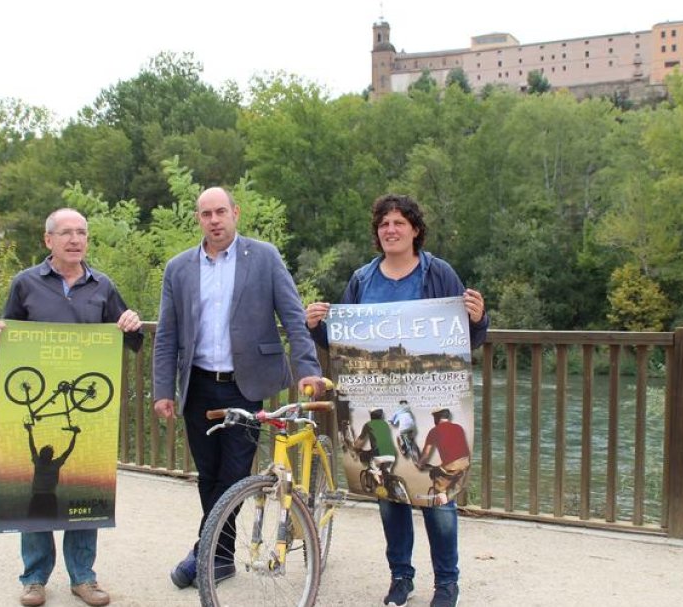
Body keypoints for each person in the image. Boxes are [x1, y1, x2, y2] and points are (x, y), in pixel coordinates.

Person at [306, 193, 488, 607]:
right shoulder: (362, 279)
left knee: (438, 497)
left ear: (415, 230)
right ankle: (400, 578)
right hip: (378, 397)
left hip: (430, 396)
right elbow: (343, 343)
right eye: (384, 223)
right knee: (390, 493)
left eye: (399, 223)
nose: (390, 229)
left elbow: (466, 340)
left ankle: (447, 583)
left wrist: (479, 318)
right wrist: (316, 327)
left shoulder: (439, 273)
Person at [151, 186, 322, 589]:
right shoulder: (179, 268)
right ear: (199, 219)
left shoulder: (264, 257)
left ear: (235, 213)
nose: (214, 220)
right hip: (197, 384)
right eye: (206, 213)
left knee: (232, 474)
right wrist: (162, 391)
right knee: (208, 474)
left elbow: (294, 318)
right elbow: (167, 335)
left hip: (244, 385)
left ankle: (205, 552)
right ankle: (219, 556)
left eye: (221, 212)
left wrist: (307, 369)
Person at [0, 207, 144, 607]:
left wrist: (131, 323)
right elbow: (7, 338)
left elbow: (133, 342)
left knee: (86, 489)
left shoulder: (103, 286)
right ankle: (34, 578)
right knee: (28, 491)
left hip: (87, 409)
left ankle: (83, 578)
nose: (75, 240)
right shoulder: (25, 284)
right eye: (66, 233)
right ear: (48, 240)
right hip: (38, 397)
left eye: (82, 233)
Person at [416, 408, 471, 505]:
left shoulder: (434, 431)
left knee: (440, 488)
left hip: (452, 465)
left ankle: (445, 511)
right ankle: (449, 504)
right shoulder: (459, 427)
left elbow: (426, 454)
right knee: (452, 491)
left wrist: (420, 464)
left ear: (436, 418)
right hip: (466, 463)